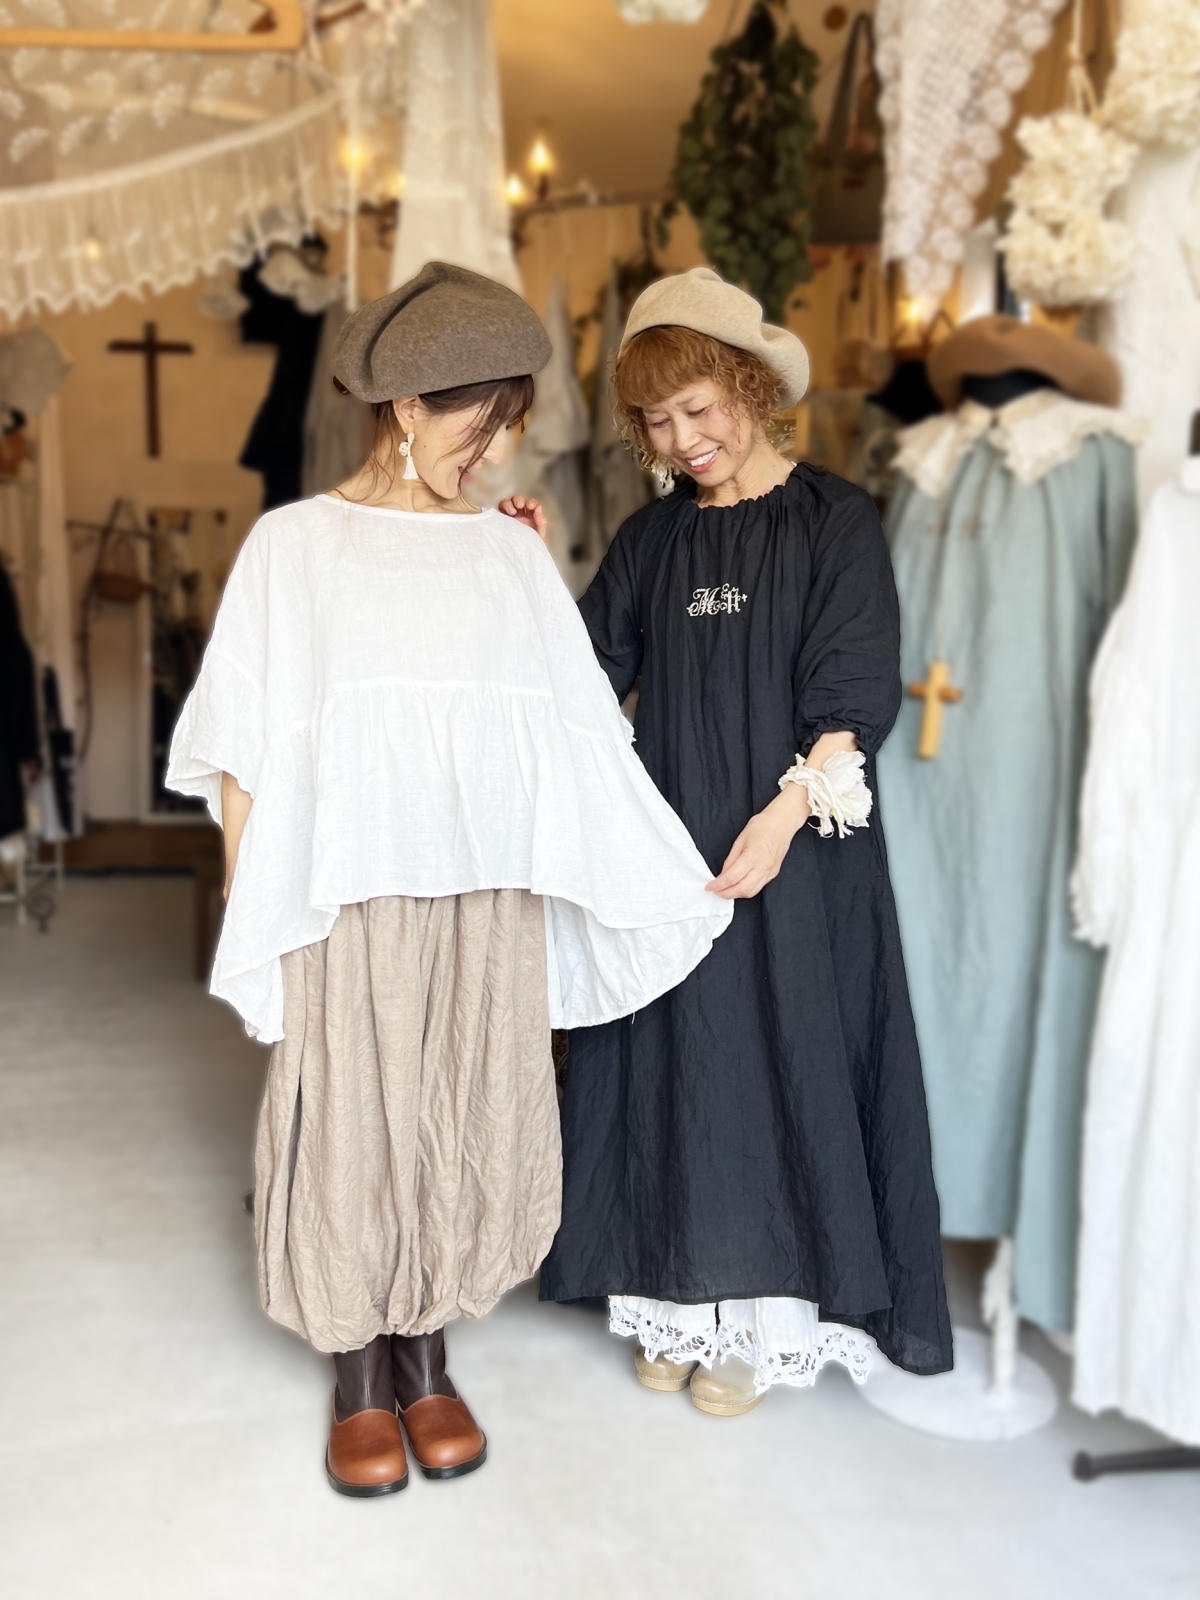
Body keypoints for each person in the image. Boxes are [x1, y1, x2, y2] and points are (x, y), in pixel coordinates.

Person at [166, 262, 731, 1496]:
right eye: (479, 427)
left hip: (483, 892)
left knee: (466, 1105)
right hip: (349, 889)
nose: (493, 454)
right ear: (409, 407)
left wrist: (666, 869)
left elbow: (574, 725)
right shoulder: (295, 548)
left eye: (506, 428)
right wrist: (255, 894)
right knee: (353, 1115)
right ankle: (359, 1371)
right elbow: (242, 745)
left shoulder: (506, 554)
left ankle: (427, 1355)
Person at [540, 268, 953, 1414]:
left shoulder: (834, 521)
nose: (683, 440)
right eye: (656, 421)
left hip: (797, 848)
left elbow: (850, 696)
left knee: (777, 1065)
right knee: (673, 1063)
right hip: (675, 859)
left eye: (699, 408)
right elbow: (583, 678)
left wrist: (779, 819)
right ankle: (674, 1303)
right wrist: (527, 567)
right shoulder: (652, 539)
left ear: (752, 387)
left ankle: (759, 1324)